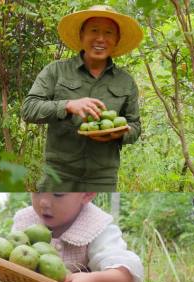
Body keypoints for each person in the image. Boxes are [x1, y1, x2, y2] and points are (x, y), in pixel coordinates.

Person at [22, 6, 143, 191]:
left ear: (116, 40)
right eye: (94, 30)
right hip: (58, 175)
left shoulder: (126, 82)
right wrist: (68, 105)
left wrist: (120, 133)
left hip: (102, 177)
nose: (101, 38)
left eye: (108, 32)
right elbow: (29, 109)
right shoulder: (56, 71)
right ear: (81, 35)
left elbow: (135, 125)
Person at [13, 192, 143, 282]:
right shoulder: (26, 222)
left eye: (58, 194)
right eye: (37, 190)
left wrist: (94, 281)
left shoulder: (96, 224)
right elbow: (11, 254)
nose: (43, 202)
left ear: (87, 194)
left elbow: (123, 271)